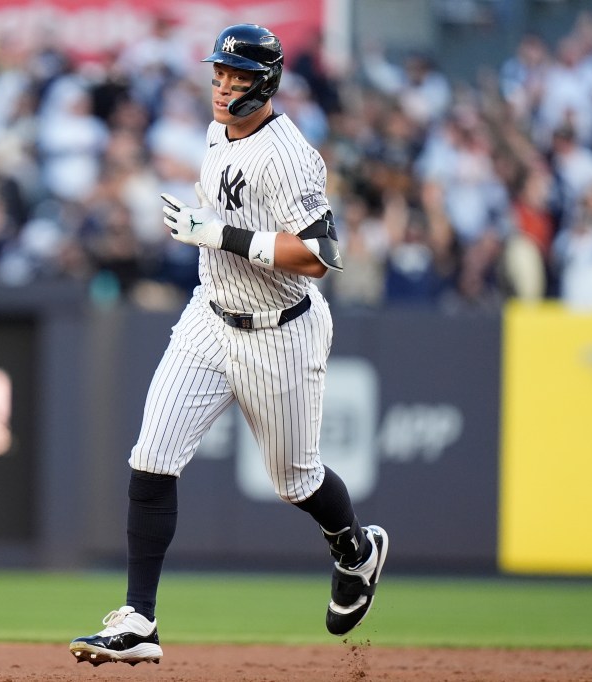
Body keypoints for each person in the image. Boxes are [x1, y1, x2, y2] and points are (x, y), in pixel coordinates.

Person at [69, 23, 389, 667]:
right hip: (210, 317)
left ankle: (356, 549)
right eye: (218, 75)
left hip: (280, 330)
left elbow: (322, 255)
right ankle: (139, 619)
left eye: (236, 77)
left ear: (263, 83)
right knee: (151, 457)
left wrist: (217, 235)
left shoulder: (289, 154)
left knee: (295, 479)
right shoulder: (218, 131)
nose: (222, 87)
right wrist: (214, 239)